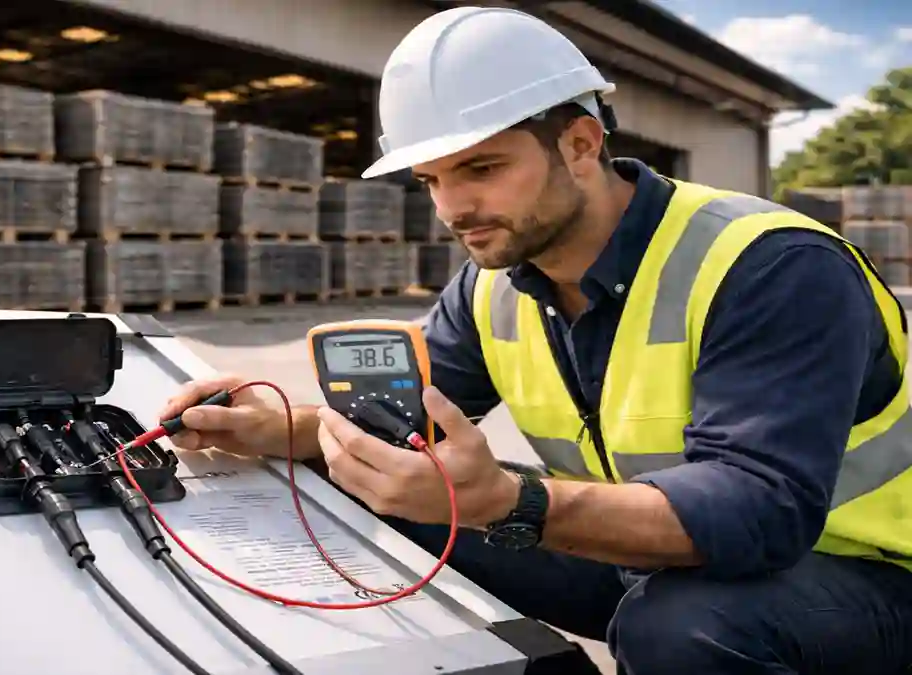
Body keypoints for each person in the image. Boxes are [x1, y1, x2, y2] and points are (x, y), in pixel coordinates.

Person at [158, 7, 912, 674]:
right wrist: (286, 431)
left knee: (684, 625)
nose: (454, 207)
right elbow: (407, 424)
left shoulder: (769, 264)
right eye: (431, 180)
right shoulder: (494, 283)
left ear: (581, 143)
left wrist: (509, 501)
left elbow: (759, 511)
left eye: (481, 168)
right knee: (380, 489)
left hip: (860, 577)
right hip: (651, 555)